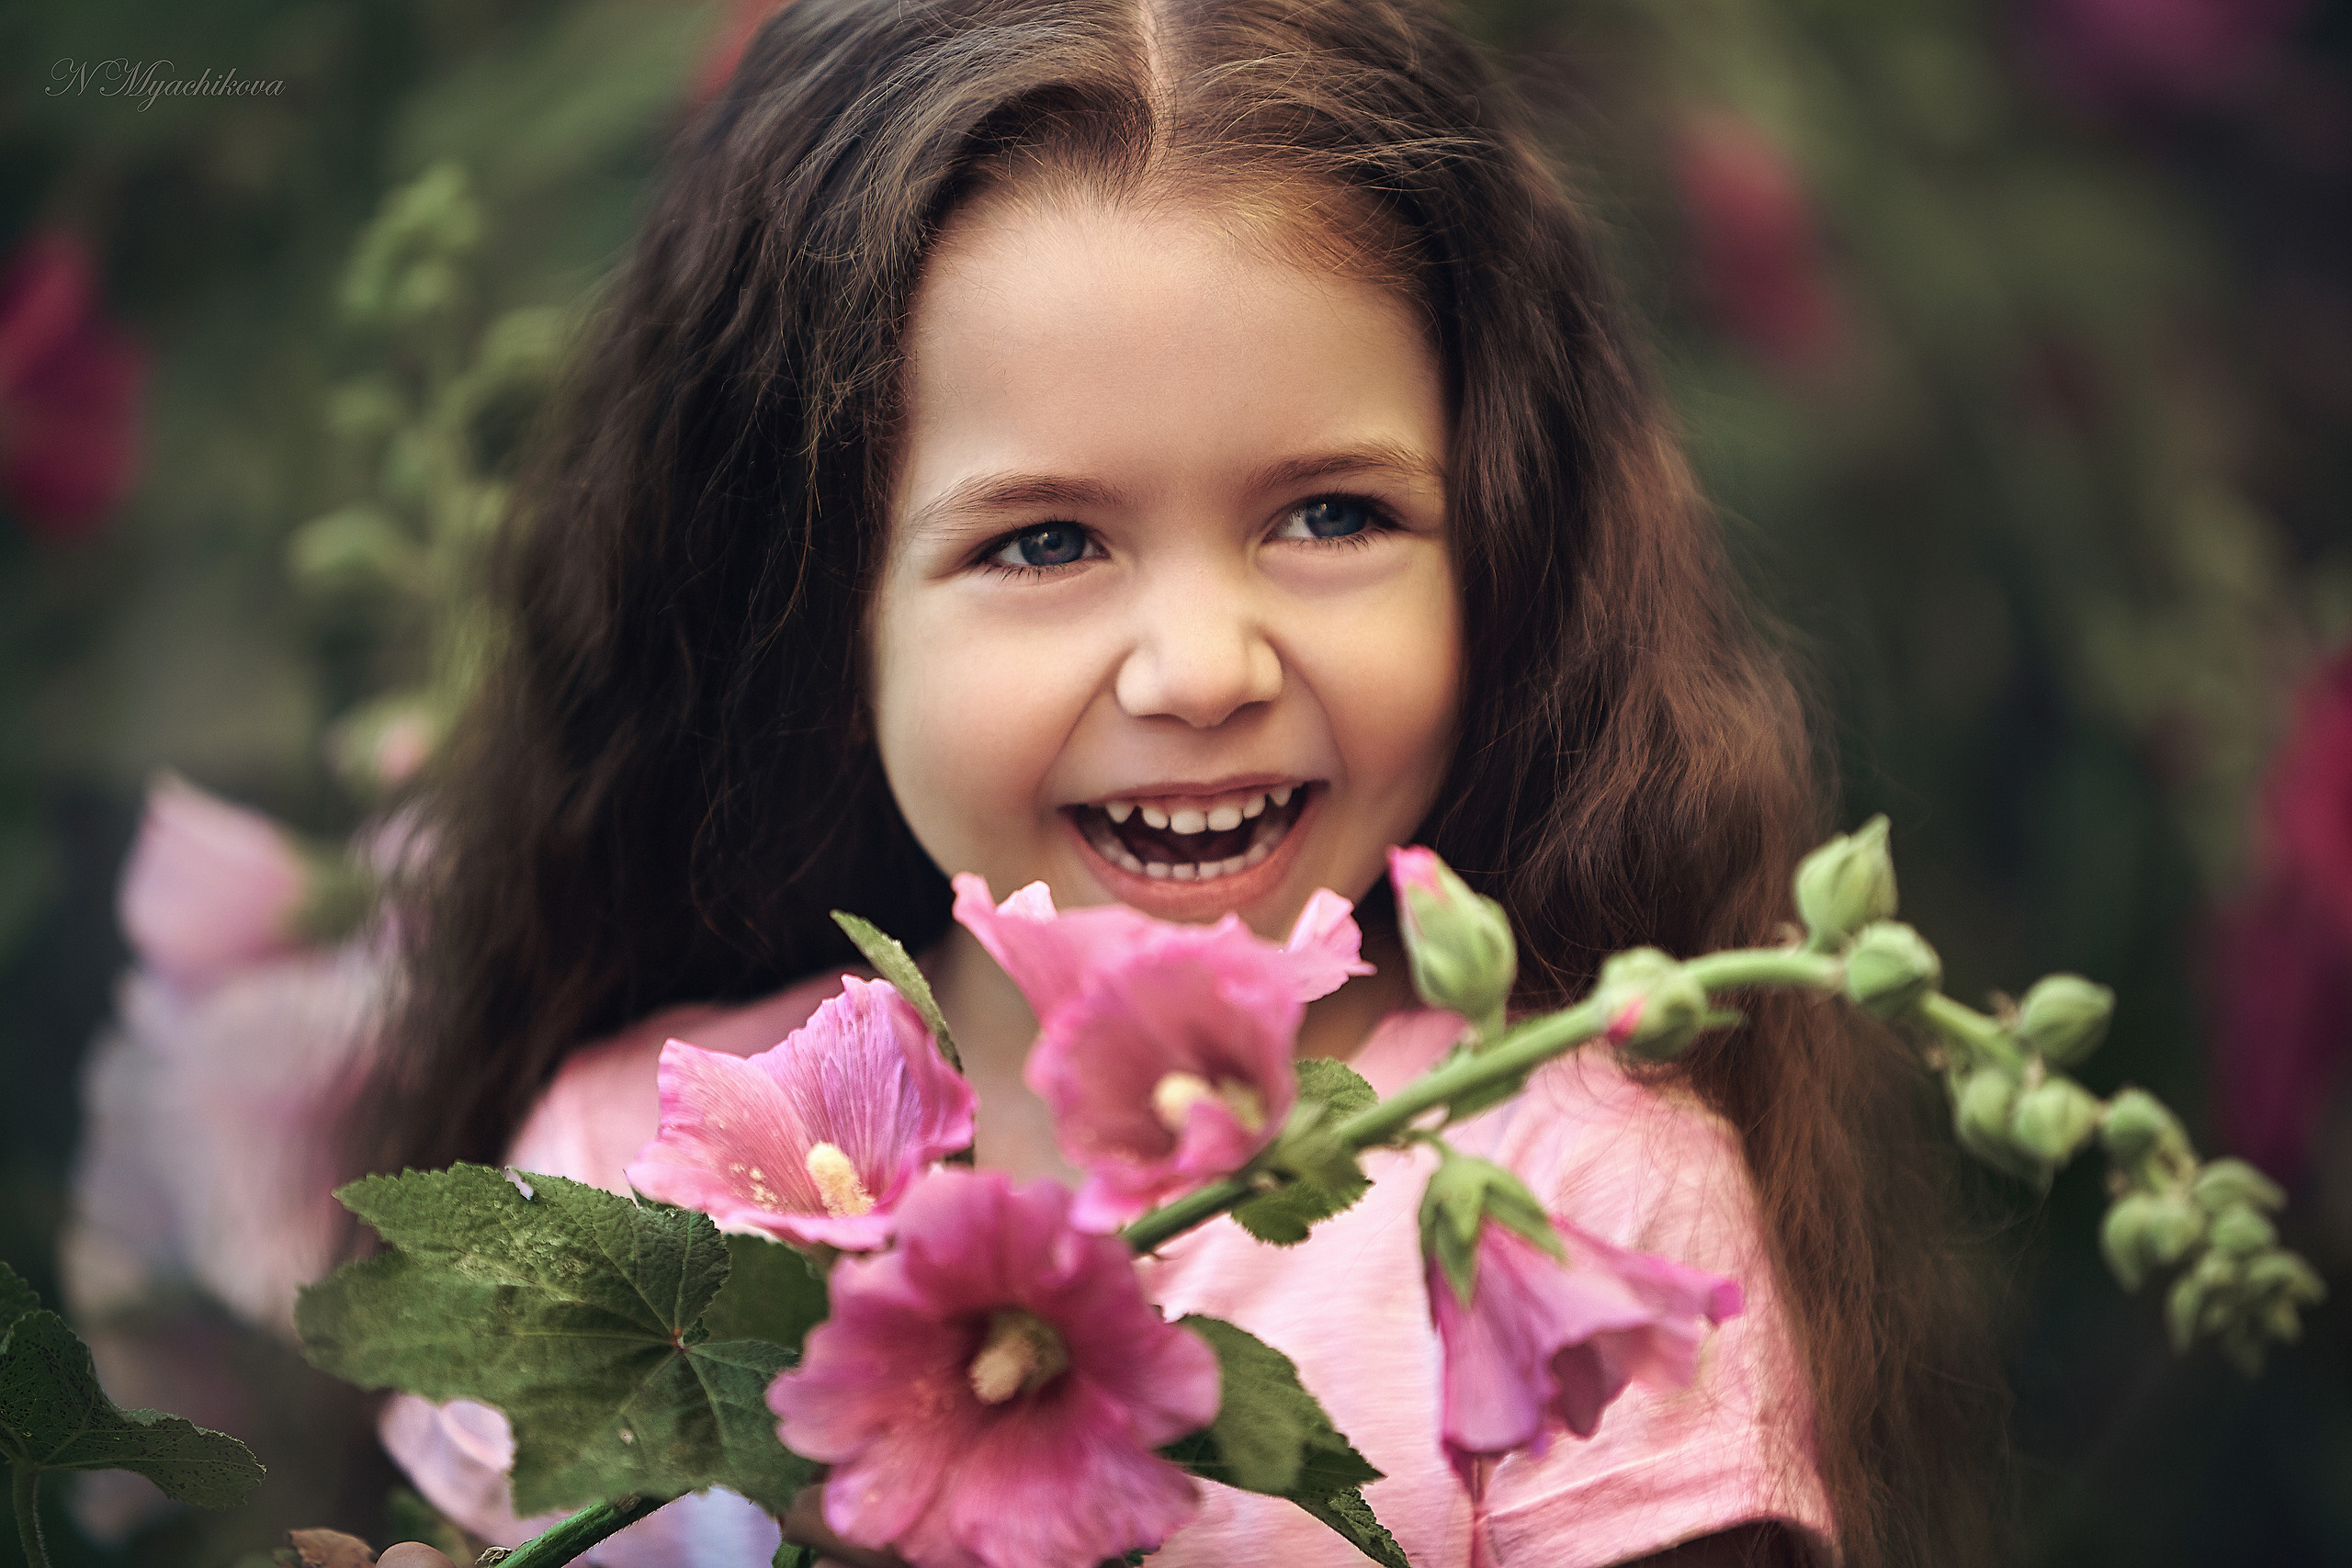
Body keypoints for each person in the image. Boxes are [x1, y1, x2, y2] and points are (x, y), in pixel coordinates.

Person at [355, 1, 2007, 1564]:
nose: (1205, 668)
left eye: (1332, 514)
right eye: (1047, 540)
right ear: (813, 603)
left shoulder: (1581, 1203)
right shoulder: (625, 1173)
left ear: (1506, 552)